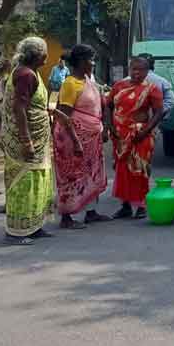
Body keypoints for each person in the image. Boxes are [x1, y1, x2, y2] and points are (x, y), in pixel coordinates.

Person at [1, 37, 55, 244]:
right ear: (38, 55)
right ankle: (16, 231)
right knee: (23, 184)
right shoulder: (25, 74)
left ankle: (34, 226)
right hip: (25, 140)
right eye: (45, 52)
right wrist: (27, 142)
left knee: (37, 180)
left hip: (38, 140)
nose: (47, 56)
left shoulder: (30, 73)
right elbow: (19, 109)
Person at [52, 44, 109, 228]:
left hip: (91, 140)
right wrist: (76, 141)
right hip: (73, 139)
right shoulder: (70, 84)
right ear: (83, 61)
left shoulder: (88, 81)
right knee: (72, 176)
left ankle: (91, 212)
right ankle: (66, 218)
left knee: (90, 175)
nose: (93, 63)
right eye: (91, 60)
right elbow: (63, 115)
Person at [106, 56, 165, 219]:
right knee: (122, 170)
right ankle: (125, 205)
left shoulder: (152, 89)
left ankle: (141, 206)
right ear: (129, 69)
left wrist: (146, 131)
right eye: (134, 69)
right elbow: (108, 106)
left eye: (140, 70)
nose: (136, 73)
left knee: (140, 169)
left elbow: (159, 112)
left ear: (147, 72)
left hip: (141, 135)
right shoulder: (118, 86)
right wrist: (109, 126)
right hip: (120, 136)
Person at [137, 53, 174, 118]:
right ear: (153, 65)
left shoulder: (125, 81)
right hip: (154, 121)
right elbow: (170, 101)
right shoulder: (163, 81)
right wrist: (157, 114)